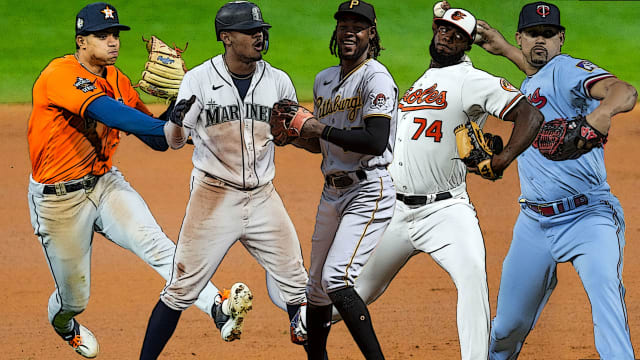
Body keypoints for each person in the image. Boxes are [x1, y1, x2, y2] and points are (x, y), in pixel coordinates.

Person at [312, 6, 543, 360]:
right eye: (444, 30)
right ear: (435, 30)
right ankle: (304, 323)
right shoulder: (422, 82)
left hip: (446, 211)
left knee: (472, 283)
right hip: (395, 210)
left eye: (458, 36)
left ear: (467, 44)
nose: (448, 37)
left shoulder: (472, 80)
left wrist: (502, 158)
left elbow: (529, 114)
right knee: (356, 288)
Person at [27, 2, 224, 358]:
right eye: (102, 35)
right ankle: (64, 323)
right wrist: (165, 126)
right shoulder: (60, 74)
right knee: (75, 297)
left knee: (155, 243)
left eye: (115, 34)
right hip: (58, 200)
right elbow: (109, 112)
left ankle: (217, 306)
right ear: (81, 41)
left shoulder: (118, 80)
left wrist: (178, 112)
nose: (113, 41)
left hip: (104, 185)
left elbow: (155, 138)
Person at [138, 2, 310, 359]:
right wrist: (174, 119)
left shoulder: (278, 80)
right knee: (180, 290)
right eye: (249, 31)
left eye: (261, 30)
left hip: (264, 198)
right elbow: (175, 141)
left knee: (297, 286)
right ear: (226, 37)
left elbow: (292, 134)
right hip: (213, 198)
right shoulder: (199, 80)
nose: (259, 36)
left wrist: (293, 134)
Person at [475, 2, 638, 359]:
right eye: (533, 34)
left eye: (549, 35)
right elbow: (537, 77)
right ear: (521, 37)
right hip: (534, 222)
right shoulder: (533, 82)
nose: (541, 41)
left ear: (561, 40)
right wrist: (503, 49)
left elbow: (624, 90)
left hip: (588, 217)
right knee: (505, 329)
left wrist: (601, 114)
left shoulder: (566, 69)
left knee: (607, 304)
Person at [283, 1, 398, 359]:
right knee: (315, 288)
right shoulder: (323, 80)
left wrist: (319, 127)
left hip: (369, 189)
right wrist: (294, 138)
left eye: (358, 26)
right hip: (331, 193)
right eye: (343, 24)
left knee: (336, 279)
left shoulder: (375, 77)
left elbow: (375, 139)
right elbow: (322, 143)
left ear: (371, 33)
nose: (349, 31)